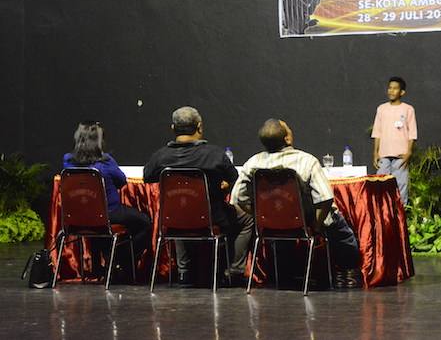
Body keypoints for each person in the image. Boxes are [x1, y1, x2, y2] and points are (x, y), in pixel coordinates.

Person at [231, 118, 361, 288]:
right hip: (304, 220)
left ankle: (286, 276)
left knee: (283, 232)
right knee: (340, 229)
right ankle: (347, 273)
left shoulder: (252, 163)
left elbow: (238, 198)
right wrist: (316, 224)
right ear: (287, 139)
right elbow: (326, 198)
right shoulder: (307, 161)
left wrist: (261, 216)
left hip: (270, 223)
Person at [143, 106, 253, 287]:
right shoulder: (215, 155)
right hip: (211, 218)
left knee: (180, 212)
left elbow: (148, 176)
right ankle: (234, 271)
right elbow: (233, 177)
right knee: (247, 219)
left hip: (173, 218)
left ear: (173, 129)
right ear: (200, 127)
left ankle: (184, 272)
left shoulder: (160, 156)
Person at [63, 121, 151, 279]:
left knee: (98, 223)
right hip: (110, 212)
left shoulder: (68, 160)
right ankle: (122, 256)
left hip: (78, 216)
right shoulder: (106, 161)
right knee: (145, 223)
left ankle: (102, 265)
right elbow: (122, 181)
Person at [371, 76, 418, 205]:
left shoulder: (408, 109)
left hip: (400, 154)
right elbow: (377, 131)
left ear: (402, 92)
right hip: (384, 154)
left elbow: (412, 133)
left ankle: (401, 215)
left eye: (395, 88)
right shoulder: (381, 109)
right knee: (381, 184)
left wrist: (409, 152)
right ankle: (382, 212)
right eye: (390, 88)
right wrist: (375, 152)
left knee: (401, 185)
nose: (391, 91)